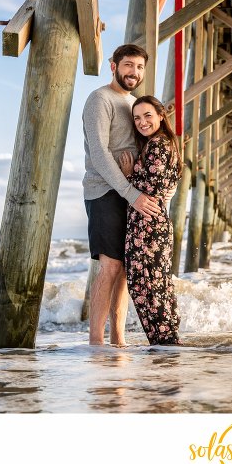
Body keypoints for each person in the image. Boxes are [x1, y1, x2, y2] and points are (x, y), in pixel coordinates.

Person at [81, 45, 161, 347]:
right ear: (113, 66)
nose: (134, 73)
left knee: (125, 267)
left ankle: (119, 339)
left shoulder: (134, 103)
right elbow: (100, 154)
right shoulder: (99, 99)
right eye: (128, 65)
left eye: (140, 67)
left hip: (130, 191)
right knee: (110, 265)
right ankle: (95, 342)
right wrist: (131, 193)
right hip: (104, 191)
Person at [122, 96, 182, 346]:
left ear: (161, 116)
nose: (142, 122)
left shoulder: (158, 144)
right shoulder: (162, 143)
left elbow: (153, 186)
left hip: (149, 227)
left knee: (147, 287)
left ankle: (166, 346)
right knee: (154, 287)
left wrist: (126, 177)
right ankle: (166, 347)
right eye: (137, 118)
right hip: (151, 224)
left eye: (148, 115)